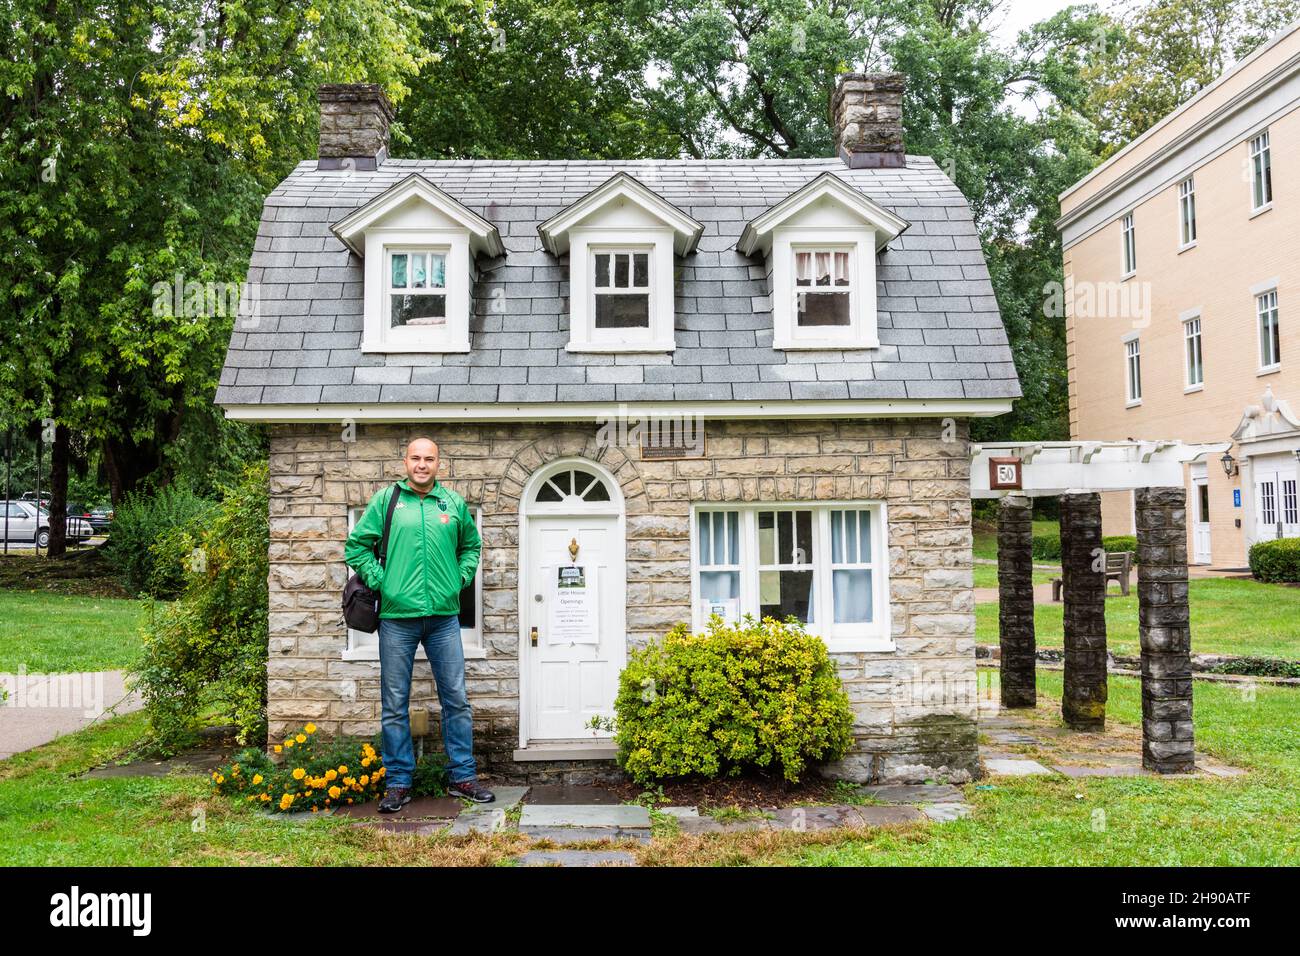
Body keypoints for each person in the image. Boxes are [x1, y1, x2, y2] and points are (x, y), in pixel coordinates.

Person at [344, 437, 495, 811]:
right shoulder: (387, 502)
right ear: (405, 461)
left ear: (438, 464)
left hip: (444, 619)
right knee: (394, 704)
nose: (422, 464)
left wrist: (459, 579)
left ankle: (462, 776)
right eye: (416, 458)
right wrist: (382, 581)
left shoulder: (454, 503)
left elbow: (471, 547)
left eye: (429, 459)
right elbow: (356, 546)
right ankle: (398, 783)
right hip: (397, 620)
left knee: (456, 700)